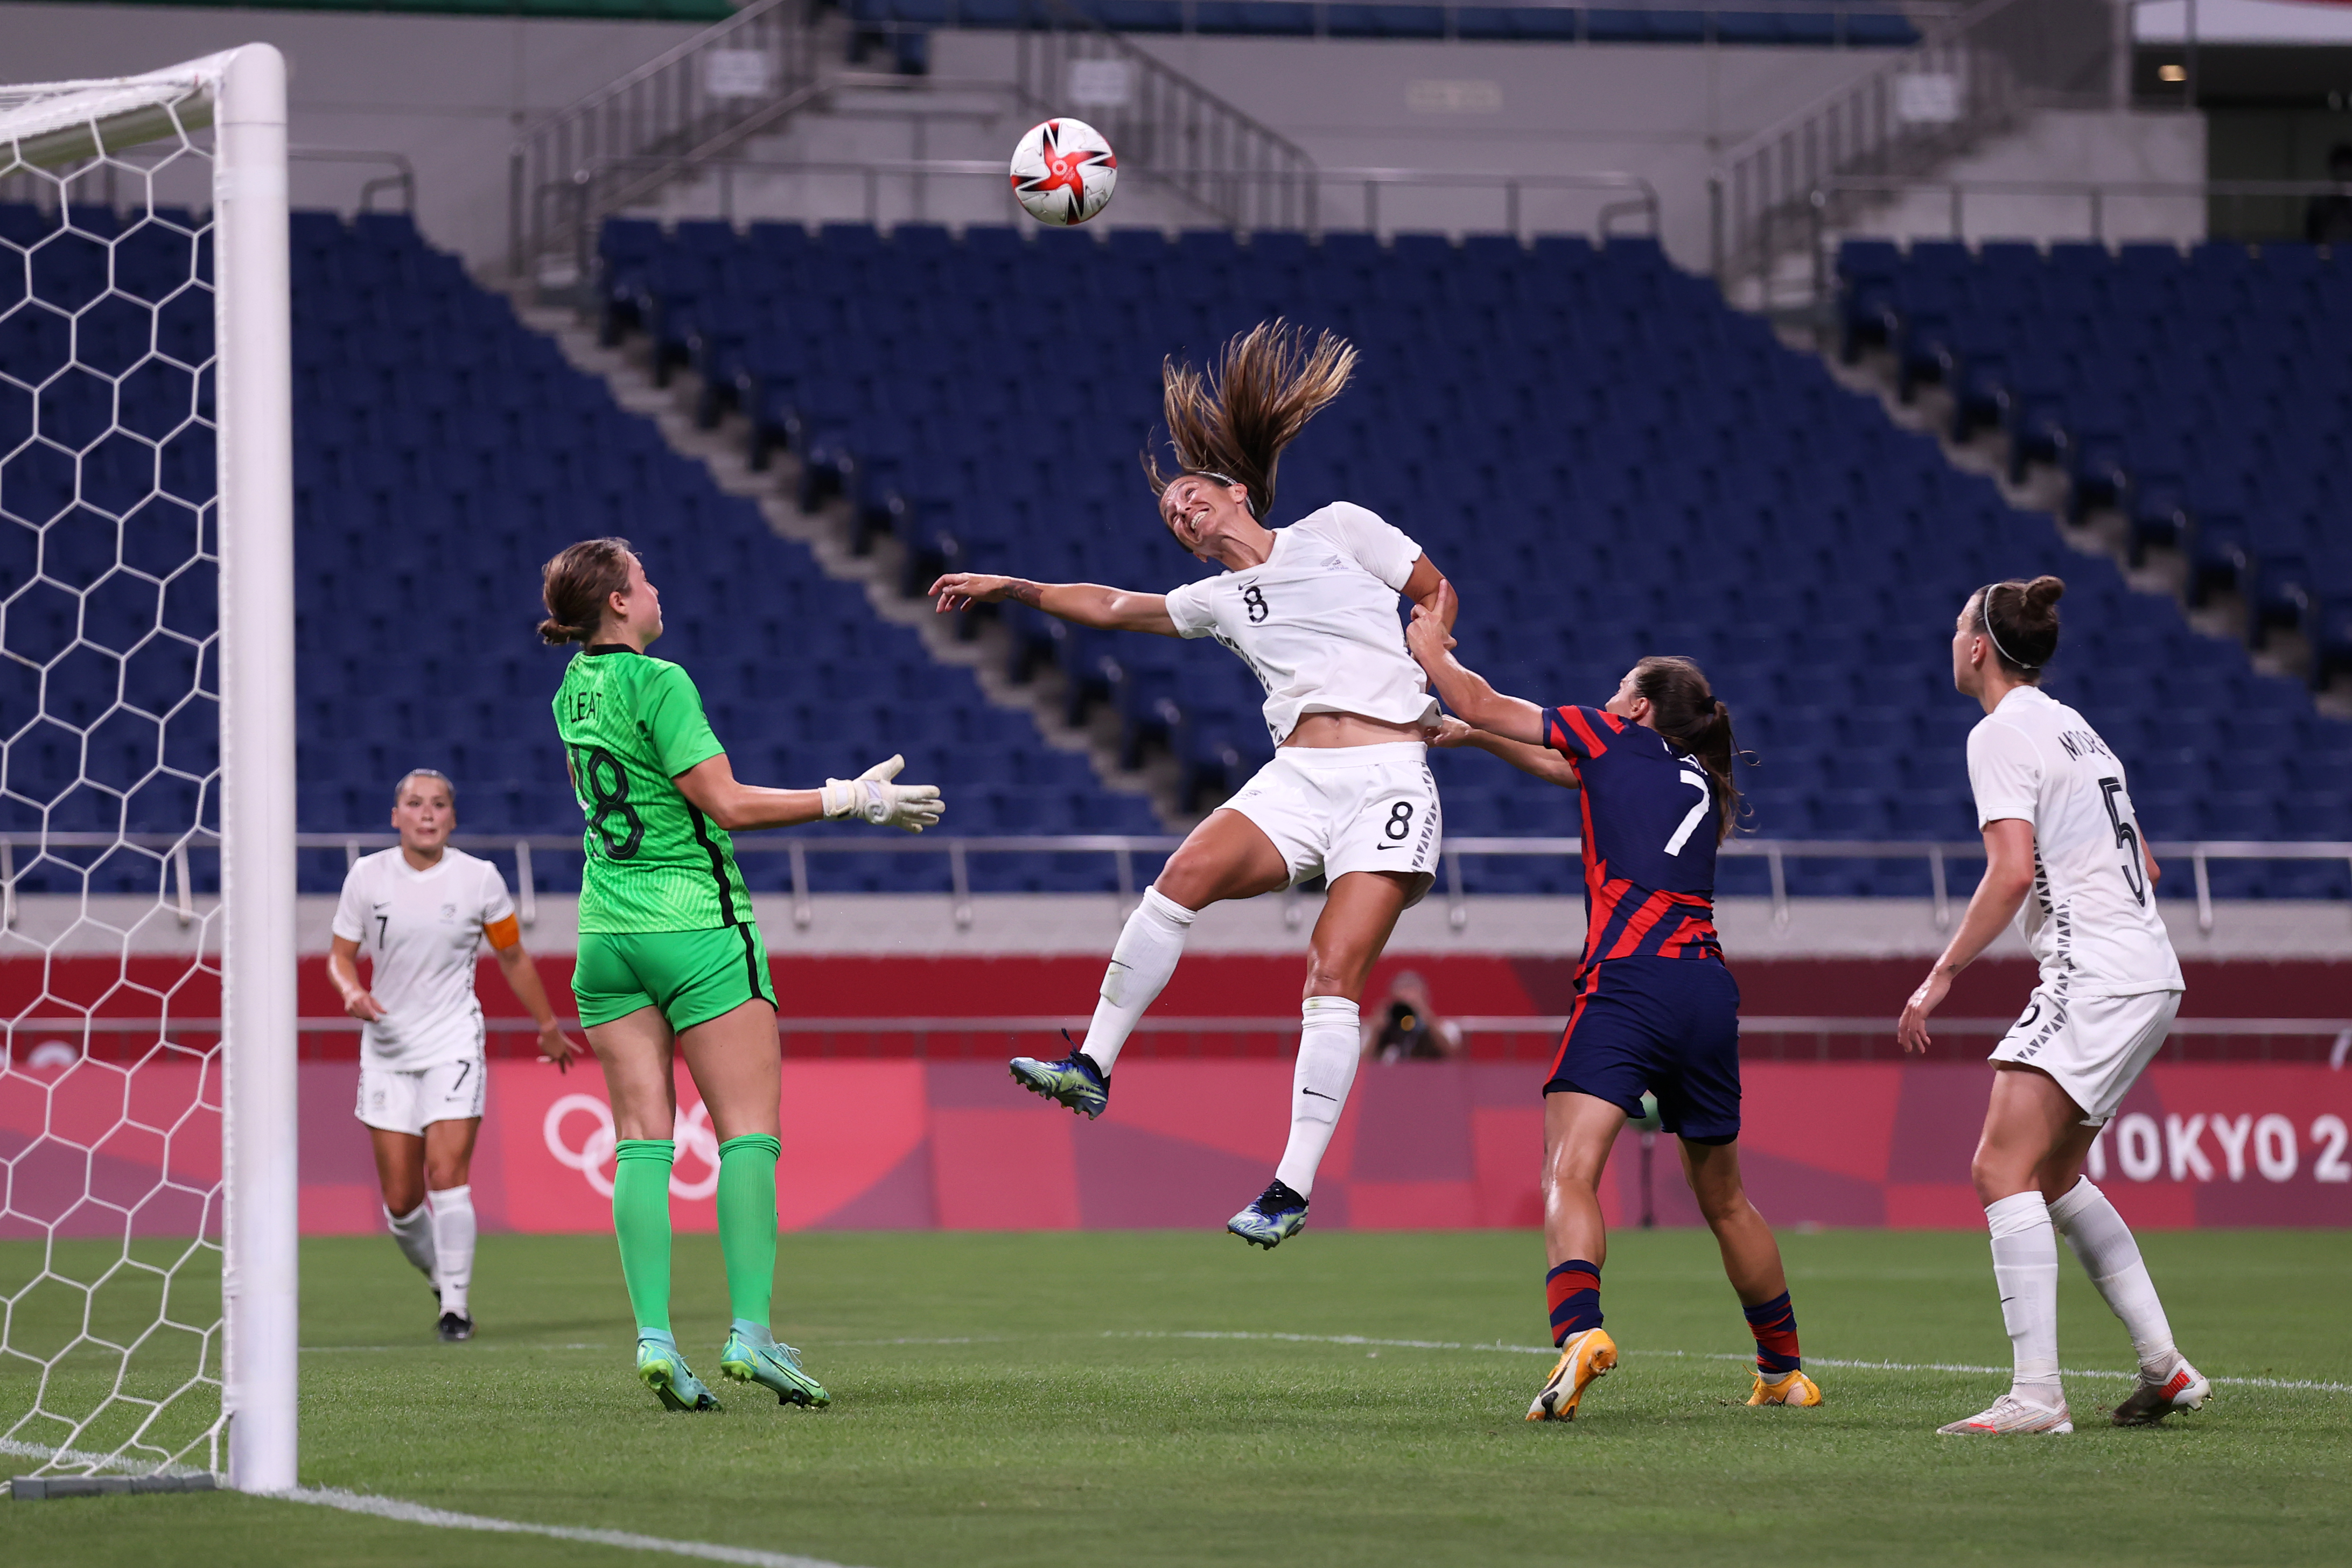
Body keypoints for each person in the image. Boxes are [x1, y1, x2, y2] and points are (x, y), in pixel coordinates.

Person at [928, 321, 1455, 1249]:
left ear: (1234, 491)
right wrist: (1014, 586)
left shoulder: (1336, 530)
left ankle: (1289, 1187)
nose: (1180, 514)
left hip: (1386, 780)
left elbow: (1434, 587)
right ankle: (1091, 1061)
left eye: (1189, 496)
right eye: (1170, 515)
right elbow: (1112, 605)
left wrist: (1430, 651)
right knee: (1177, 879)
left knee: (1330, 974)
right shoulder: (1213, 601)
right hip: (1297, 776)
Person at [541, 537, 944, 1411]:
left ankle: (655, 1338)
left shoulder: (570, 688)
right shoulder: (660, 680)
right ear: (615, 601)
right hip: (696, 927)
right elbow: (724, 804)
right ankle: (749, 1334)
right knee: (747, 1135)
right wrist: (848, 799)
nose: (655, 588)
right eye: (643, 578)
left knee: (642, 1139)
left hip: (605, 934)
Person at [1407, 608, 1822, 1422]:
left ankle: (1581, 1333)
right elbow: (1566, 771)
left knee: (1569, 1171)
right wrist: (1473, 738)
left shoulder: (1605, 735)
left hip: (1629, 984)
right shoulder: (1699, 777)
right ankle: (1784, 1372)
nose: (1605, 699)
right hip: (1706, 990)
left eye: (1617, 691)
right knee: (1728, 1199)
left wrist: (1430, 654)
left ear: (1634, 709)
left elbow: (1485, 698)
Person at [1898, 576, 2209, 1436]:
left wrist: (1943, 974)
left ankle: (2036, 1396)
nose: (1951, 637)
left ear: (1976, 648)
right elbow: (2142, 858)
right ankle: (2166, 1366)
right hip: (2150, 969)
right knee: (2055, 1174)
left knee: (1998, 1169)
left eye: (1957, 623)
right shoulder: (2077, 727)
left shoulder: (2000, 733)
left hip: (2098, 972)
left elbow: (2007, 872)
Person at [329, 768, 578, 1343]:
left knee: (447, 1174)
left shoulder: (481, 879)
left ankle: (457, 1308)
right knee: (401, 1201)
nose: (426, 813)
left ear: (452, 817)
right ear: (396, 816)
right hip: (388, 1048)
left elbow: (512, 956)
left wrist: (547, 1024)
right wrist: (352, 991)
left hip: (453, 1041)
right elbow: (340, 956)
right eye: (414, 803)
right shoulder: (367, 877)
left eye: (438, 804)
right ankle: (442, 1278)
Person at [1361, 969, 1463, 1062]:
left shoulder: (1445, 1027)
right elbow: (1363, 1060)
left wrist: (1427, 1019)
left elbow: (1451, 1054)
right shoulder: (1379, 1029)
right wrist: (1376, 1030)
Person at [2302, 143, 2352, 245]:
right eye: (2341, 165)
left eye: (2348, 166)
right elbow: (2310, 233)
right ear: (2334, 168)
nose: (2345, 171)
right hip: (2326, 253)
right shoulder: (2320, 202)